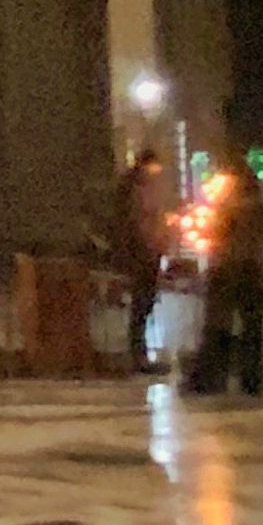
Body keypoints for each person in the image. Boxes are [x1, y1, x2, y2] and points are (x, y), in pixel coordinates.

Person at [190, 161, 263, 398]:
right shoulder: (257, 209)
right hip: (251, 268)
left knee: (219, 324)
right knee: (252, 326)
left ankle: (213, 377)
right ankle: (252, 379)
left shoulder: (230, 210)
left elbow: (219, 237)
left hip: (227, 269)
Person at [115, 148, 173, 374]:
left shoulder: (140, 189)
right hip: (142, 254)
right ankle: (138, 356)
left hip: (148, 252)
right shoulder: (136, 191)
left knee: (144, 305)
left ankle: (139, 354)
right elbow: (140, 222)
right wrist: (150, 244)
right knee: (141, 305)